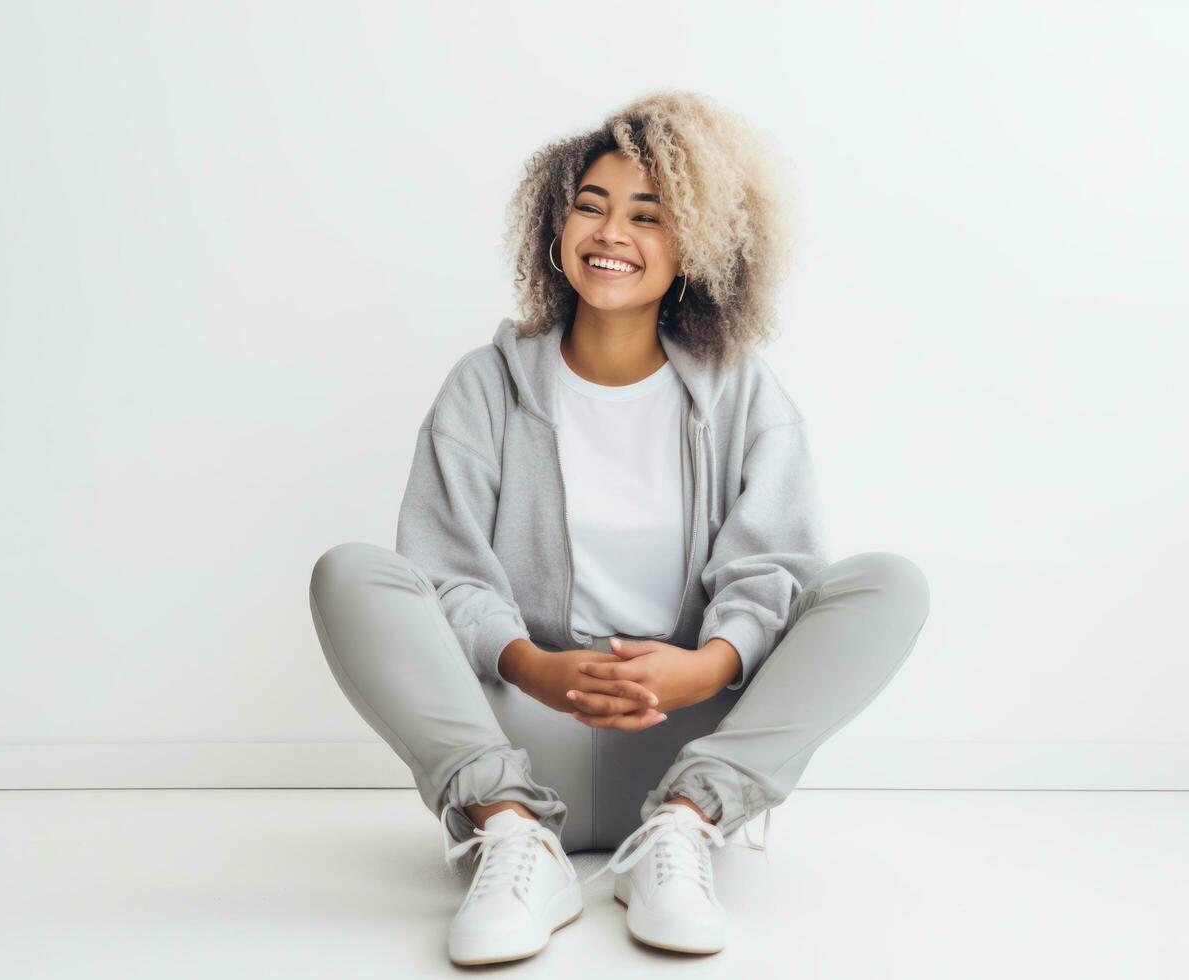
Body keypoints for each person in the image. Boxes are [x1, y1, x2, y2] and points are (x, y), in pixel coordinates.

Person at [308, 90, 930, 965]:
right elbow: (444, 575)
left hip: (684, 743)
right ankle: (514, 837)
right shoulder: (484, 387)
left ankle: (677, 838)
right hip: (522, 736)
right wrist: (534, 667)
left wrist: (703, 670)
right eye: (590, 207)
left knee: (889, 584)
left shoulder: (743, 392)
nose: (611, 234)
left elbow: (775, 567)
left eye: (648, 215)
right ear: (554, 229)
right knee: (350, 572)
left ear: (694, 249)